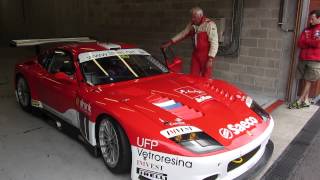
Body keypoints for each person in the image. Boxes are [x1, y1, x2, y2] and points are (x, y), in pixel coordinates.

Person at [161, 7, 219, 78]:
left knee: (206, 77)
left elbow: (214, 43)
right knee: (193, 76)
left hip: (206, 56)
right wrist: (169, 43)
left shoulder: (209, 24)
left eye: (194, 17)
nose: (192, 19)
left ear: (200, 16)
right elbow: (183, 34)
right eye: (192, 17)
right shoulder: (192, 24)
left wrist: (210, 59)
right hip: (196, 54)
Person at [289, 10, 320, 109]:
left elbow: (318, 43)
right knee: (304, 79)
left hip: (314, 60)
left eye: (313, 19)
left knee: (309, 80)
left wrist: (307, 41)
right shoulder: (306, 29)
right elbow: (300, 43)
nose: (310, 21)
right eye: (310, 19)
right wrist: (310, 42)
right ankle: (306, 101)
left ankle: (299, 100)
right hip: (303, 58)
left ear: (319, 18)